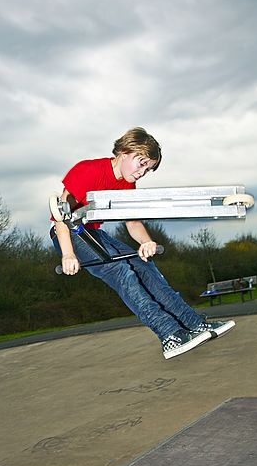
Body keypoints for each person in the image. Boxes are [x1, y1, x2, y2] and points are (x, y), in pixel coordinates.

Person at [51, 127, 235, 359]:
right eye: (141, 163)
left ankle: (194, 324)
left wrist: (146, 242)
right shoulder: (88, 170)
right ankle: (169, 334)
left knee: (144, 266)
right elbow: (60, 216)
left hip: (95, 233)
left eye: (148, 169)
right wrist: (68, 254)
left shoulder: (127, 184)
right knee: (120, 271)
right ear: (124, 152)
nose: (142, 172)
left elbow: (133, 221)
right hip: (70, 234)